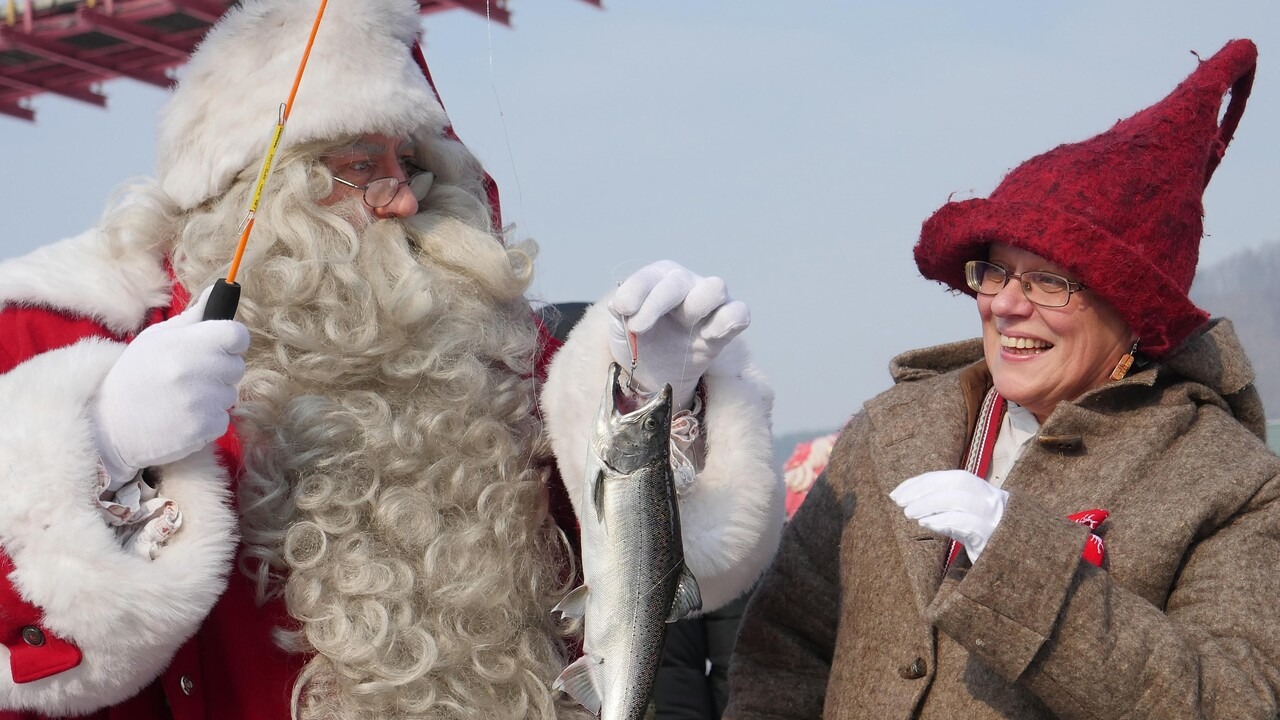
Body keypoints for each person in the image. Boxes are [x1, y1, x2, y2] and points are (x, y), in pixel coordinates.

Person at [0, 1, 784, 718]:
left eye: (407, 164)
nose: (405, 199)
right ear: (263, 190)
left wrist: (657, 404)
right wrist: (101, 451)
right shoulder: (63, 336)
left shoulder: (487, 351)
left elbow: (645, 584)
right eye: (361, 167)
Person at [725, 38, 1280, 719]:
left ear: (1136, 311)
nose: (1006, 304)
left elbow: (1233, 704)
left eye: (1050, 280)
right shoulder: (890, 431)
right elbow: (782, 653)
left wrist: (1028, 566)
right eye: (996, 270)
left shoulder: (1228, 482)